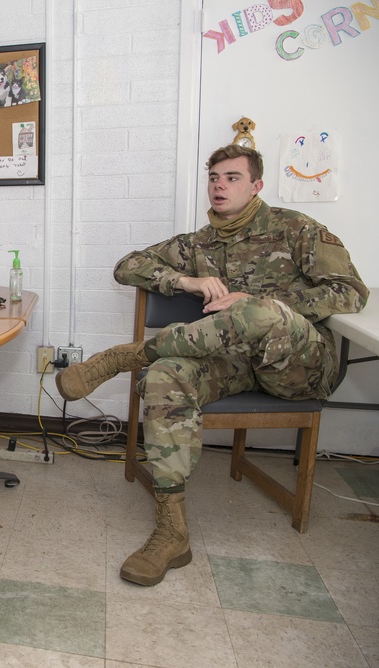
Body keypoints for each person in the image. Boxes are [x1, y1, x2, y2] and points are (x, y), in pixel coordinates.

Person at [55, 144, 368, 586]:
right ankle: (171, 530)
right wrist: (186, 280)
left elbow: (350, 292)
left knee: (260, 312)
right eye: (214, 177)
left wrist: (264, 302)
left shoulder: (297, 230)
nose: (220, 185)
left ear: (256, 185)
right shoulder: (199, 244)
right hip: (233, 363)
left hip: (296, 366)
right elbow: (128, 267)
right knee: (166, 376)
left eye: (232, 177)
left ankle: (129, 356)